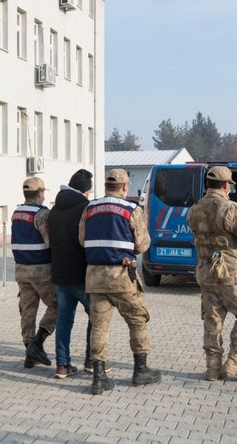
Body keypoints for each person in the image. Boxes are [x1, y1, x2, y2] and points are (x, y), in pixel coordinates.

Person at [79, 168, 161, 395]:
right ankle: (140, 370)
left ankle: (98, 378)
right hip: (122, 277)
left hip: (95, 276)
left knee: (99, 326)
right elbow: (143, 245)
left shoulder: (89, 208)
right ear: (125, 187)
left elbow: (82, 239)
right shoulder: (132, 210)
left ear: (106, 186)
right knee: (137, 320)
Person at [186, 166, 237, 381]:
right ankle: (235, 362)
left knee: (213, 320)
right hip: (231, 273)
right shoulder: (231, 208)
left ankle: (213, 368)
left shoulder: (195, 209)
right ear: (227, 185)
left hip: (205, 272)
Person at [48, 169, 97, 379]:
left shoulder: (54, 209)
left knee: (64, 320)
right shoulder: (85, 209)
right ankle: (91, 361)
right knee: (95, 316)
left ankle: (62, 365)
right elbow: (87, 241)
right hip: (81, 275)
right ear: (85, 191)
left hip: (59, 273)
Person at [11, 177, 58, 368]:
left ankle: (29, 353)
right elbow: (50, 241)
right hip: (41, 269)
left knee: (27, 311)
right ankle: (37, 343)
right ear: (40, 193)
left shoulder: (16, 213)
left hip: (21, 269)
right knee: (57, 305)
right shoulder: (41, 214)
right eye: (43, 192)